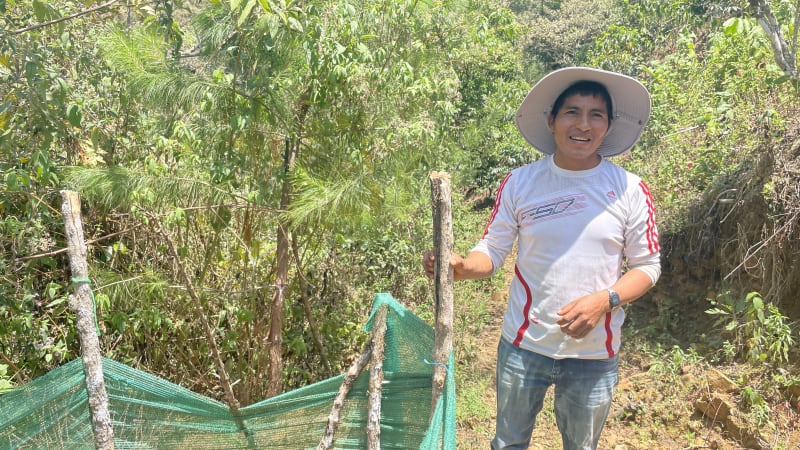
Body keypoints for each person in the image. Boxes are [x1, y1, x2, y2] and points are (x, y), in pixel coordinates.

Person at [423, 67, 661, 450]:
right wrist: (462, 267)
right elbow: (492, 250)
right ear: (551, 121)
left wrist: (604, 300)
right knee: (508, 443)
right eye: (572, 112)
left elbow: (648, 267)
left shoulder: (630, 189)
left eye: (595, 115)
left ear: (608, 125)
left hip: (594, 354)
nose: (583, 124)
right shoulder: (520, 182)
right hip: (523, 345)